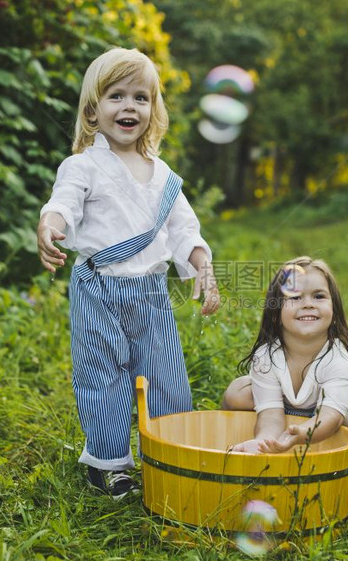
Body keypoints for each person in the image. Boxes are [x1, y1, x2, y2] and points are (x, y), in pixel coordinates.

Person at [36, 47, 220, 500]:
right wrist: (50, 227)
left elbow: (184, 230)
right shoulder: (82, 166)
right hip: (98, 286)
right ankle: (109, 464)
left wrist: (202, 266)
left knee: (166, 375)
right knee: (103, 376)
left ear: (154, 110)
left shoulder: (165, 177)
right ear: (93, 110)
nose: (129, 107)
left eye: (141, 97)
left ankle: (168, 455)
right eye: (116, 96)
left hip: (151, 291)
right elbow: (64, 203)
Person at [221, 256, 348, 509]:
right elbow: (271, 414)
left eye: (318, 296)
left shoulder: (337, 359)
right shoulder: (267, 356)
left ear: (334, 310)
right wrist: (267, 444)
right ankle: (244, 450)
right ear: (276, 312)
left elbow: (330, 417)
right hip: (279, 409)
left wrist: (302, 433)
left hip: (323, 416)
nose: (308, 305)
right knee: (236, 391)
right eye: (295, 298)